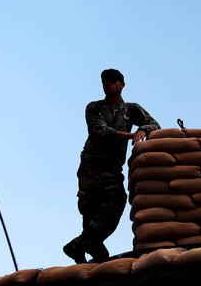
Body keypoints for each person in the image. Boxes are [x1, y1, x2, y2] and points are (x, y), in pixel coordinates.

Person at [62, 69, 160, 264]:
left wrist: (142, 128)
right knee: (91, 211)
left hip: (112, 168)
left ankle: (80, 245)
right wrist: (132, 136)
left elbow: (154, 124)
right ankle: (88, 250)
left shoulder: (131, 109)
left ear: (122, 84)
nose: (108, 85)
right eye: (105, 82)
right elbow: (101, 131)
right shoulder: (94, 107)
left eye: (113, 81)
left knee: (116, 202)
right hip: (91, 165)